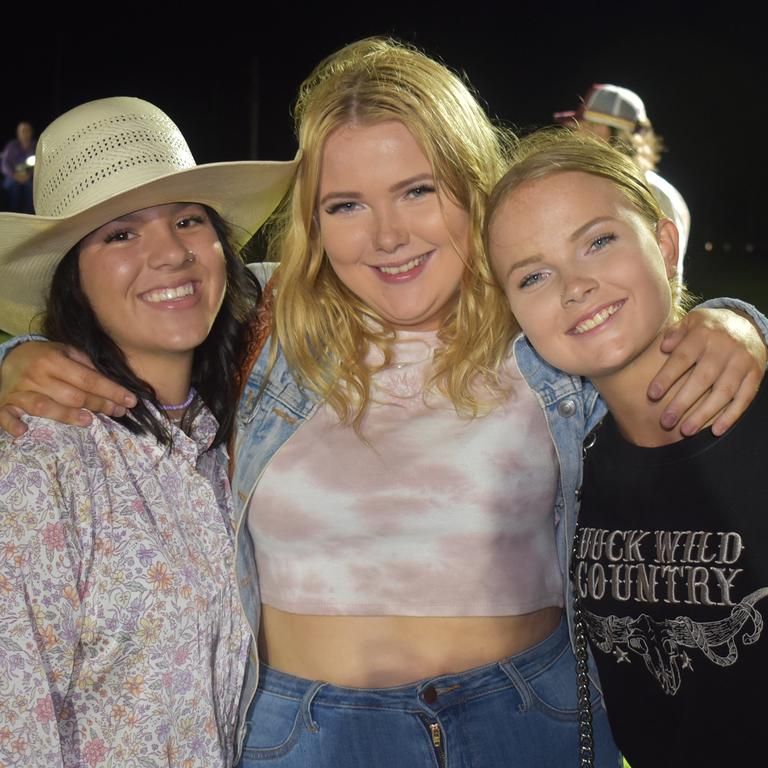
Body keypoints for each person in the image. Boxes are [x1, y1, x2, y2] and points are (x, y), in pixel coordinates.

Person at [0, 40, 766, 768]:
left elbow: (648, 339)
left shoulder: (541, 328)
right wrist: (12, 357)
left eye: (417, 190)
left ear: (469, 185)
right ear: (314, 220)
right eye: (346, 205)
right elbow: (132, 319)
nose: (388, 236)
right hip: (310, 735)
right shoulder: (258, 320)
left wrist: (740, 322)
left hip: (528, 719)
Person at [0, 96, 297, 767]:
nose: (170, 254)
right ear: (71, 275)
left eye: (188, 220)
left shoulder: (233, 434)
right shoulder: (37, 464)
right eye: (120, 234)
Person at [485, 128, 767, 767]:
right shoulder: (561, 479)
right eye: (532, 275)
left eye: (599, 241)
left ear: (666, 245)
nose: (574, 286)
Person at [555, 84, 691, 271]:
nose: (573, 136)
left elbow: (669, 280)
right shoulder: (600, 186)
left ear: (601, 130)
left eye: (581, 126)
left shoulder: (653, 192)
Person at [2, 120, 36, 213]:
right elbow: (4, 165)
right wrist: (14, 175)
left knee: (32, 188)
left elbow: (39, 164)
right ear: (18, 133)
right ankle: (13, 215)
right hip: (13, 176)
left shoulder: (35, 146)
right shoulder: (11, 146)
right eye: (22, 131)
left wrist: (29, 175)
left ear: (31, 132)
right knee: (13, 187)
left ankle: (29, 216)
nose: (25, 133)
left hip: (29, 177)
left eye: (27, 130)